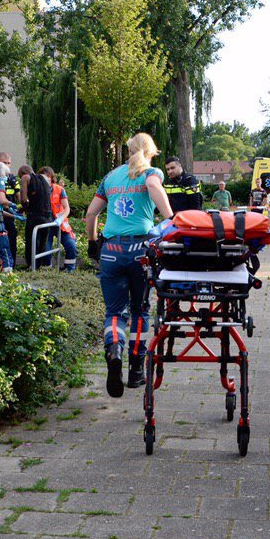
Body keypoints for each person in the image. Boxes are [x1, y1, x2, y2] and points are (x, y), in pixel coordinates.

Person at [85, 133, 174, 397]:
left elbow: (91, 213)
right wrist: (173, 220)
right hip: (141, 251)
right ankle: (136, 370)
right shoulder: (151, 172)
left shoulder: (110, 177)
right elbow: (156, 190)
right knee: (140, 309)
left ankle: (114, 351)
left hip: (111, 250)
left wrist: (92, 241)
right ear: (150, 151)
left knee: (114, 312)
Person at [20, 164, 54, 270]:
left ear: (23, 173)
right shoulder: (45, 179)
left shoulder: (25, 178)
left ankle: (31, 266)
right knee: (42, 243)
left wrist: (24, 208)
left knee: (31, 242)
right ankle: (38, 266)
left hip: (35, 216)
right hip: (48, 217)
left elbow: (24, 199)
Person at [44, 167, 78, 272]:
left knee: (71, 245)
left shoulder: (59, 189)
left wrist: (61, 218)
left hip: (60, 222)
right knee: (45, 249)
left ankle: (69, 269)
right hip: (46, 224)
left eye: (48, 176)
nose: (46, 179)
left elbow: (67, 208)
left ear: (52, 177)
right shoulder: (38, 190)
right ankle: (47, 270)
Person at [0, 151, 20, 266]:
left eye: (9, 163)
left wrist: (19, 208)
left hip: (9, 214)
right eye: (4, 163)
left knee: (12, 237)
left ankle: (12, 264)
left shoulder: (12, 178)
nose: (7, 165)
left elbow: (18, 195)